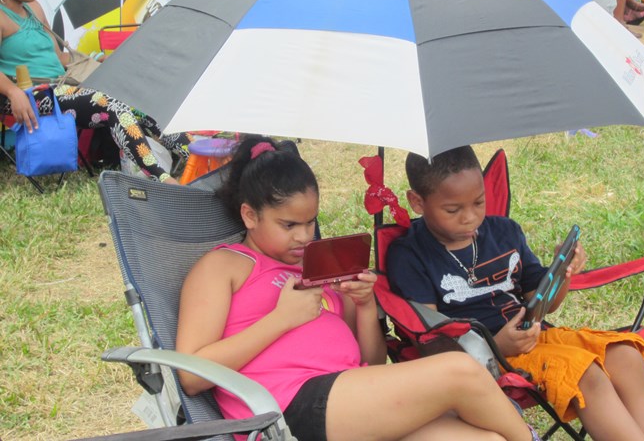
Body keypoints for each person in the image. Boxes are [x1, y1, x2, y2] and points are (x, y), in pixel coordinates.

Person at [174, 135, 537, 441]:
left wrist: (363, 306)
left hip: (352, 399)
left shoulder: (317, 268)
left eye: (311, 221)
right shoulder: (225, 266)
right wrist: (281, 320)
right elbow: (191, 376)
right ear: (250, 215)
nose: (304, 236)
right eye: (288, 225)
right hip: (285, 410)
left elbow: (373, 362)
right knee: (459, 369)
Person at [387, 146, 644, 441]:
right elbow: (430, 341)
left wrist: (563, 275)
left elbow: (544, 303)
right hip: (480, 361)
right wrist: (497, 347)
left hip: (535, 337)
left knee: (626, 355)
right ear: (417, 201)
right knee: (585, 373)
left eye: (479, 202)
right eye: (453, 210)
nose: (470, 217)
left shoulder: (505, 232)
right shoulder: (410, 255)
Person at [0, 0, 190, 183]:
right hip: (31, 93)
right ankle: (161, 178)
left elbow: (60, 59)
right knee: (110, 105)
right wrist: (12, 91)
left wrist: (95, 60)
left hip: (63, 85)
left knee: (137, 100)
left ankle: (195, 156)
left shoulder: (34, 9)